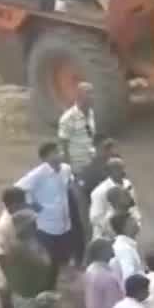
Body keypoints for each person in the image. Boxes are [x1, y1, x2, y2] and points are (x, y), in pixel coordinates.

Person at [16, 141, 75, 289]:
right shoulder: (39, 174)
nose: (58, 155)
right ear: (45, 158)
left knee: (57, 260)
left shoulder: (66, 169)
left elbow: (68, 185)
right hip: (45, 225)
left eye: (58, 151)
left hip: (64, 224)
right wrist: (32, 204)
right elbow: (18, 188)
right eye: (53, 153)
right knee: (45, 261)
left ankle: (51, 288)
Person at [58, 82, 95, 254]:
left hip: (90, 168)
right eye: (89, 94)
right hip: (77, 170)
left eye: (92, 94)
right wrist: (69, 172)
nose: (92, 98)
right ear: (79, 97)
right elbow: (63, 146)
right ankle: (80, 251)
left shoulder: (91, 114)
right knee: (80, 213)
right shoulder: (68, 118)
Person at [88, 157, 138, 234]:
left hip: (129, 233)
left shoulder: (129, 185)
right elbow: (95, 218)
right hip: (108, 237)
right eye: (118, 169)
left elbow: (135, 209)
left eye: (123, 167)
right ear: (109, 172)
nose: (123, 171)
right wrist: (115, 229)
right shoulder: (100, 192)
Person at [110, 212, 144, 283]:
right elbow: (129, 277)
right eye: (132, 219)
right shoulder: (124, 248)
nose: (137, 221)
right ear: (126, 226)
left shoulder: (125, 246)